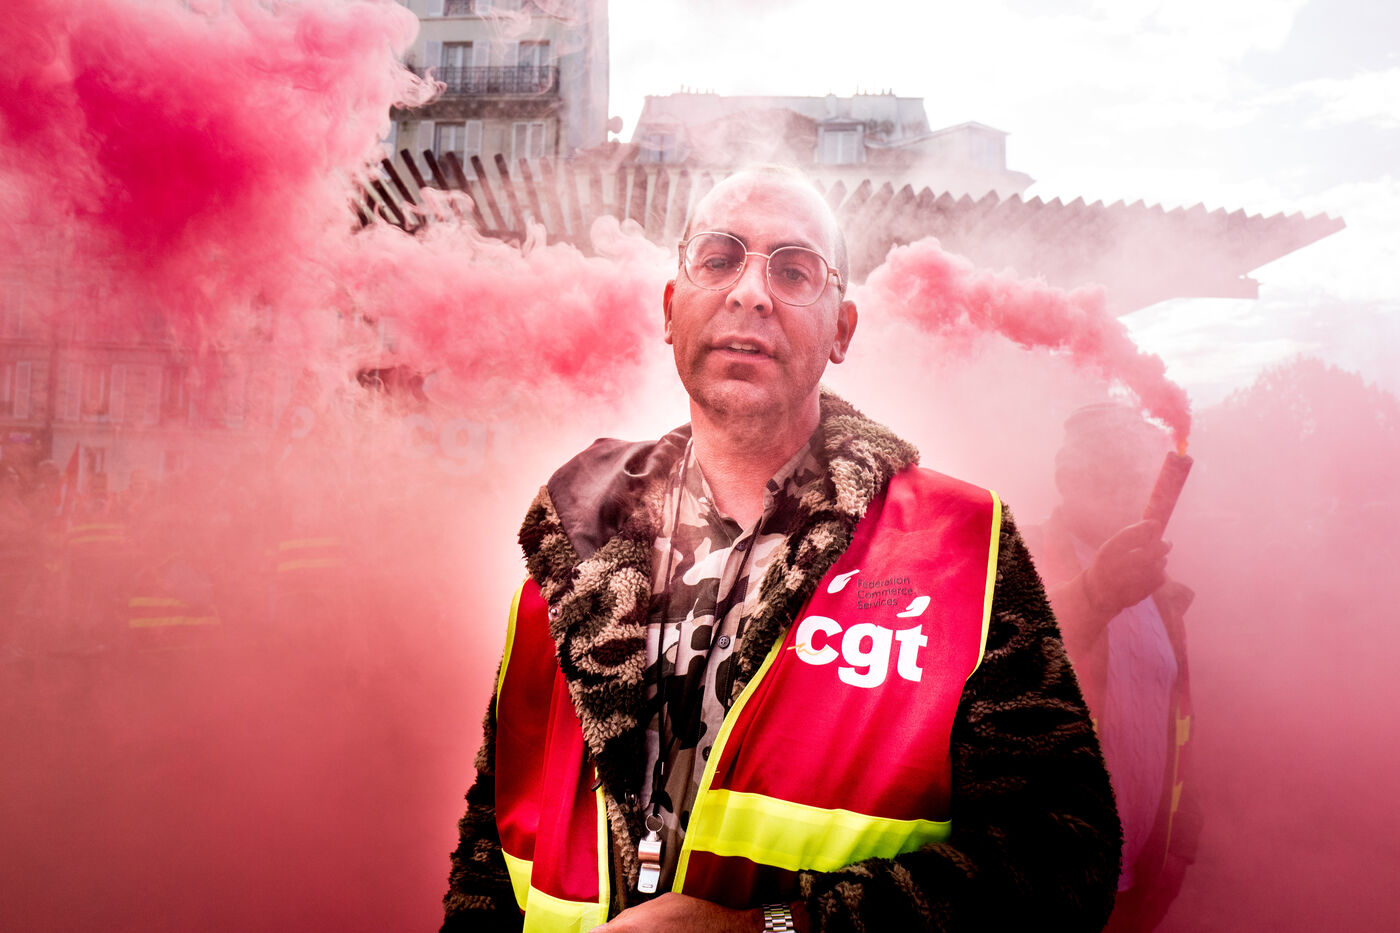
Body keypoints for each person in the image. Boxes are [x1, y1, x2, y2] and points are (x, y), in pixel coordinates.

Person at [442, 169, 1121, 932]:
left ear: (842, 332)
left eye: (794, 271)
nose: (750, 293)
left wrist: (773, 927)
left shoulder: (962, 546)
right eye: (718, 259)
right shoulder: (572, 551)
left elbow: (1068, 858)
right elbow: (489, 859)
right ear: (670, 309)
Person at [1027, 404, 1200, 932]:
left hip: (1134, 888)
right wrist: (1095, 594)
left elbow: (1180, 728)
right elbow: (991, 663)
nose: (1124, 487)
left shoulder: (1160, 593)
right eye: (1106, 469)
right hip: (1039, 882)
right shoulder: (1016, 550)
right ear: (1067, 478)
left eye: (1132, 472)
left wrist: (1179, 851)